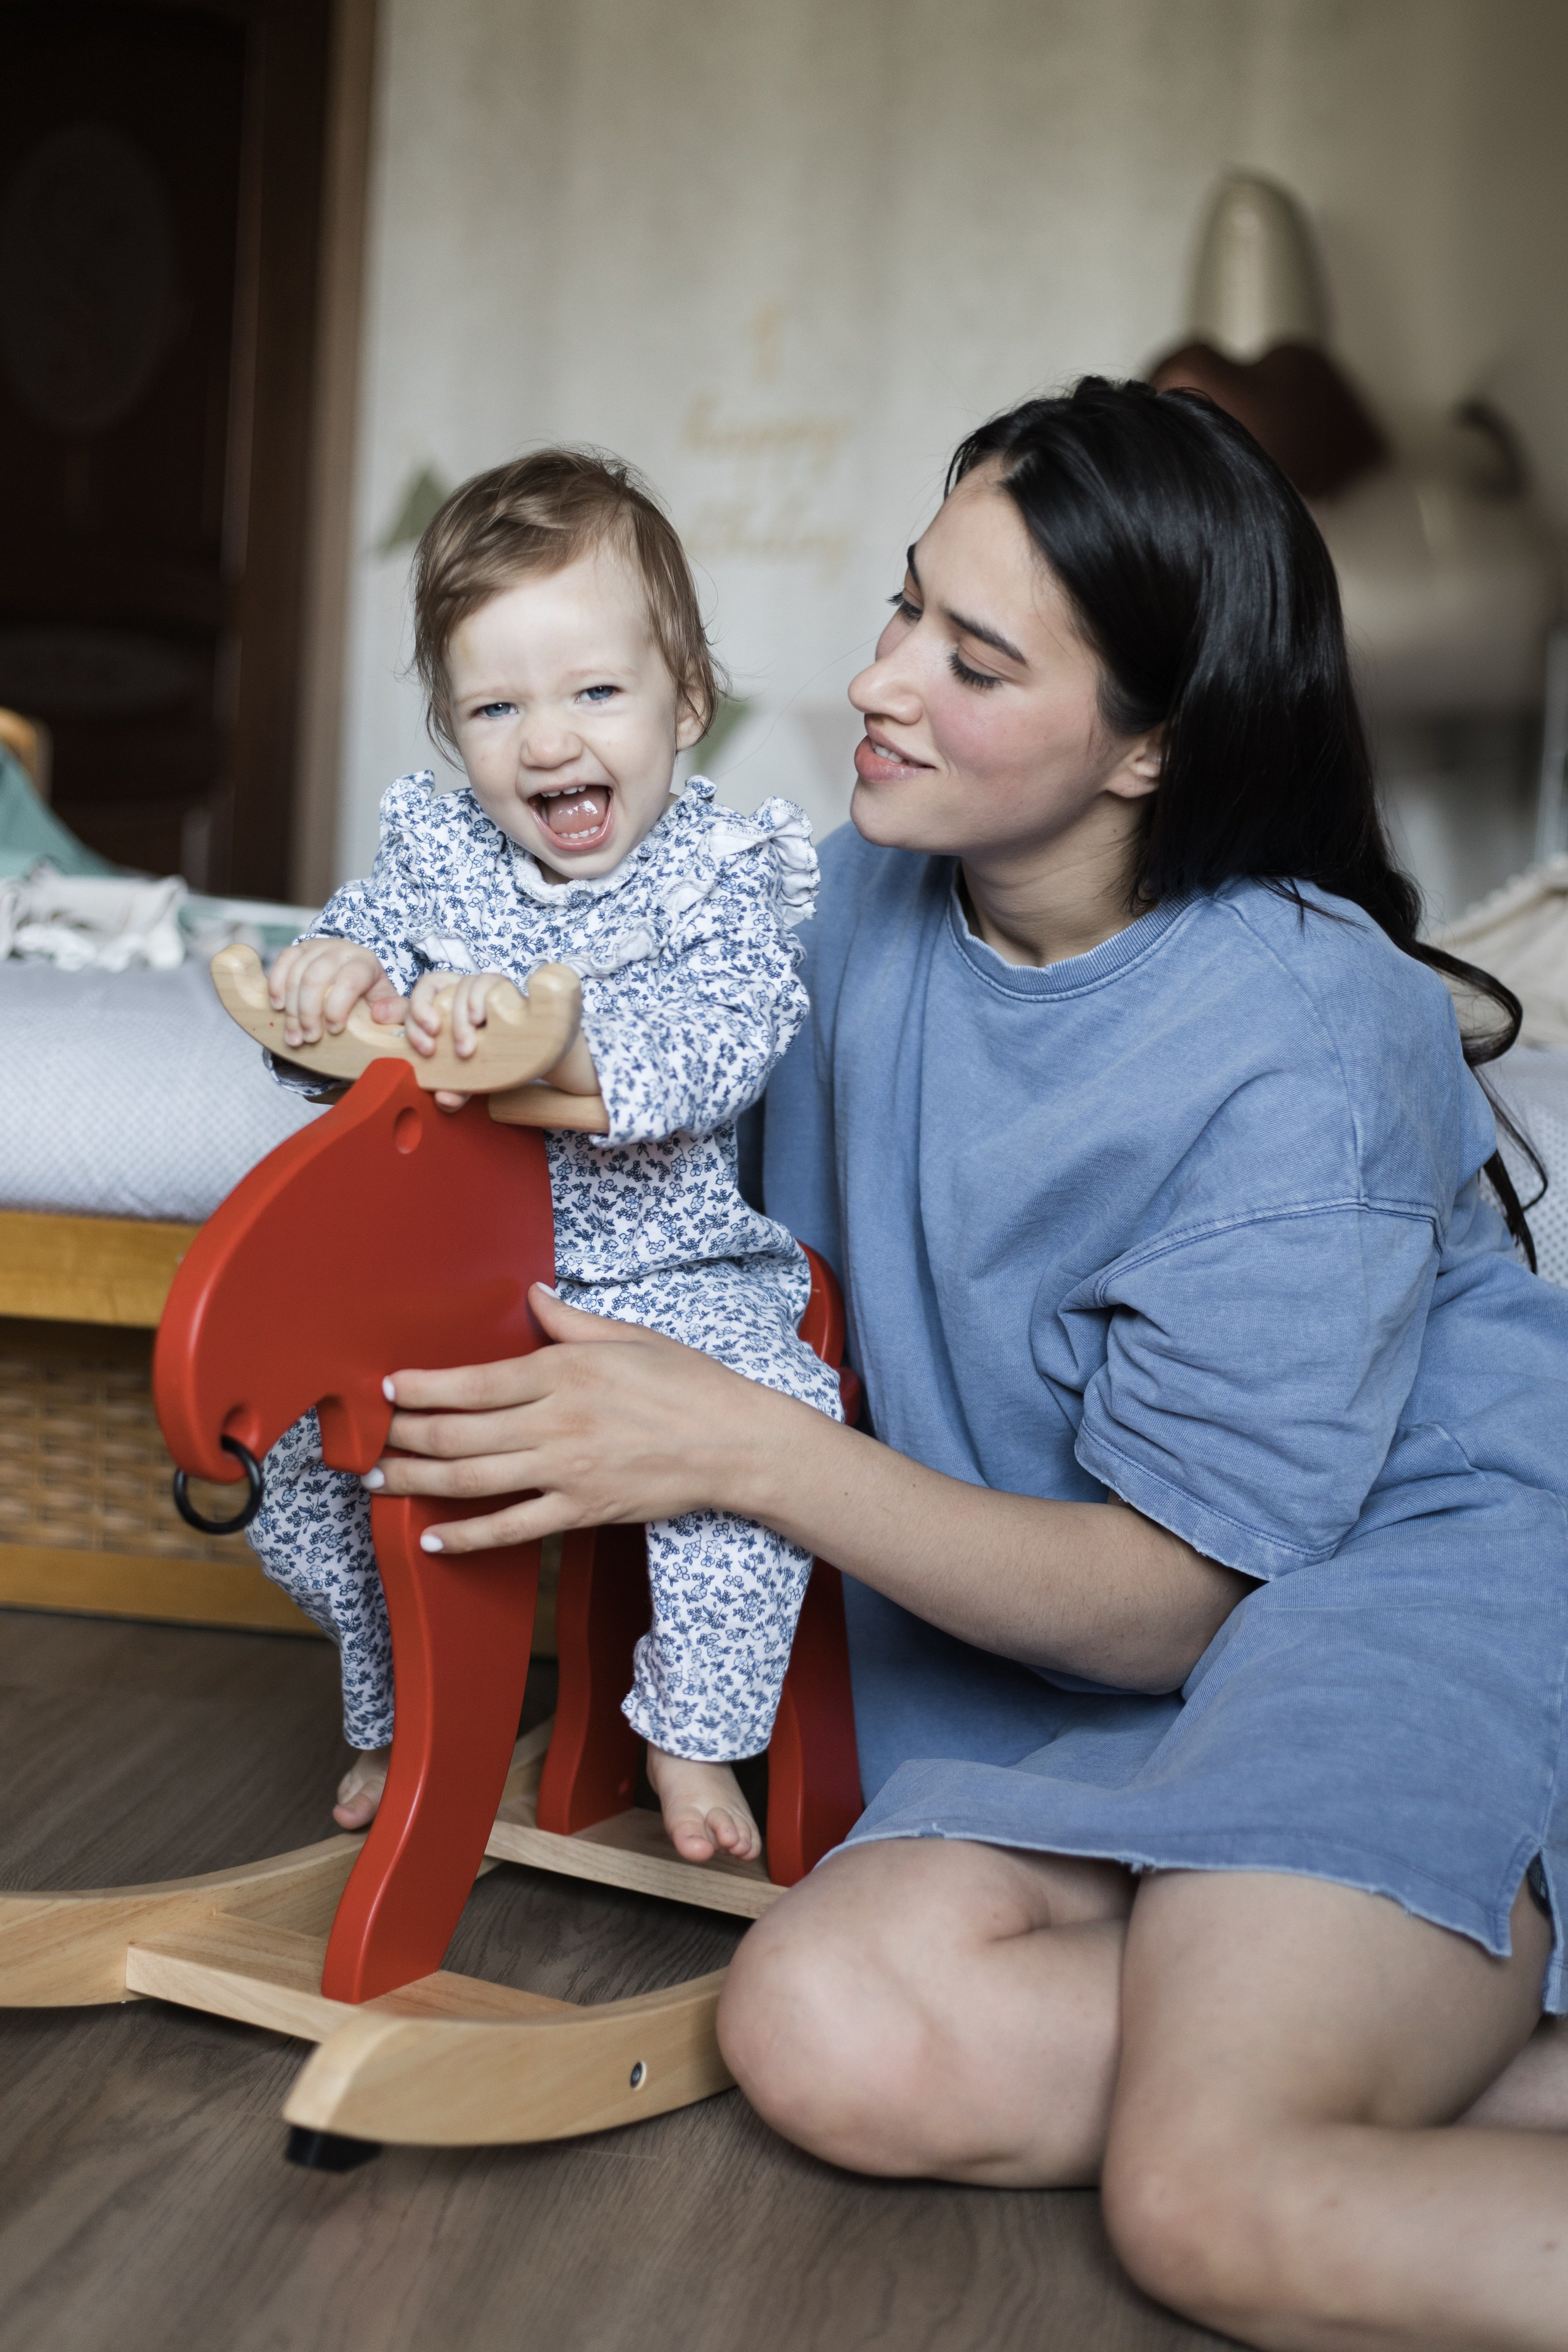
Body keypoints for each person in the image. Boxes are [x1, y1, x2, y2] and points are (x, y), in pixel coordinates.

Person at [347, 382, 1568, 2350]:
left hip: (1384, 1607)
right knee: (825, 2020)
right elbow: (594, 1024)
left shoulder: (1301, 1032)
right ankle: (1367, 2045)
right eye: (908, 607)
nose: (875, 682)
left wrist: (737, 1450)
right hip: (1090, 1664)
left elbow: (1180, 1601)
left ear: (1153, 741)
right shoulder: (846, 910)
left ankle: (1295, 2077)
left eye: (971, 658)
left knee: (1218, 2197)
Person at [251, 448, 842, 1866]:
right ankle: (390, 1705)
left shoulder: (722, 882)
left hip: (659, 1267)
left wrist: (537, 1041)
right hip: (452, 1267)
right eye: (496, 706)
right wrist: (332, 979)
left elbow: (722, 1043)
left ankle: (691, 1729)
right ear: (455, 737)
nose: (546, 741)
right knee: (296, 1443)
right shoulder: (435, 862)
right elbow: (339, 1015)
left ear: (683, 700)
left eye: (593, 693)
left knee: (772, 1423)